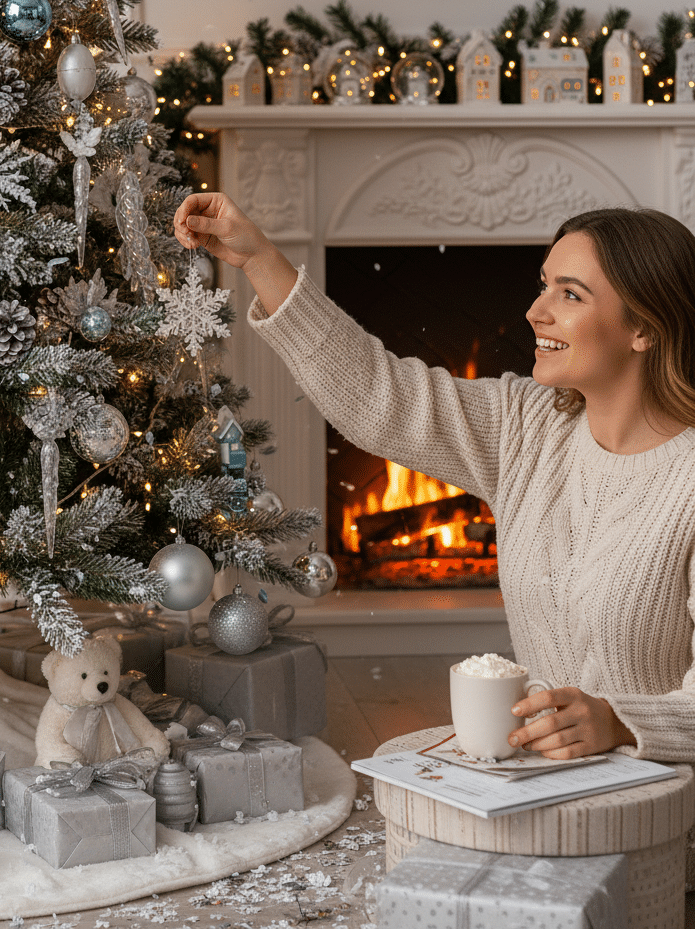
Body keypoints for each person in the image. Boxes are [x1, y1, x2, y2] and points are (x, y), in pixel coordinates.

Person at [174, 192, 695, 768]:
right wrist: (259, 258)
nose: (535, 311)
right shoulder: (528, 426)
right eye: (544, 284)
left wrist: (620, 722)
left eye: (570, 294)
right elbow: (377, 394)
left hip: (665, 799)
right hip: (543, 782)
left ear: (643, 327)